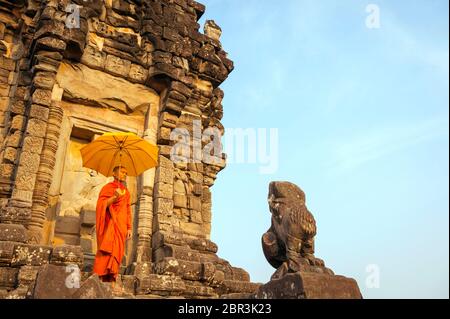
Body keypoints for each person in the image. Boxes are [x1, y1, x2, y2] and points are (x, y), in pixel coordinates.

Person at [93, 166, 132, 284]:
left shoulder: (127, 192)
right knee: (106, 249)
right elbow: (101, 205)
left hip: (121, 226)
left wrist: (129, 227)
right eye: (122, 172)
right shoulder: (107, 188)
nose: (124, 174)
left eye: (126, 173)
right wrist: (115, 197)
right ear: (114, 173)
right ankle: (99, 277)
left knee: (117, 253)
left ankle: (112, 278)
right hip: (110, 223)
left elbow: (128, 210)